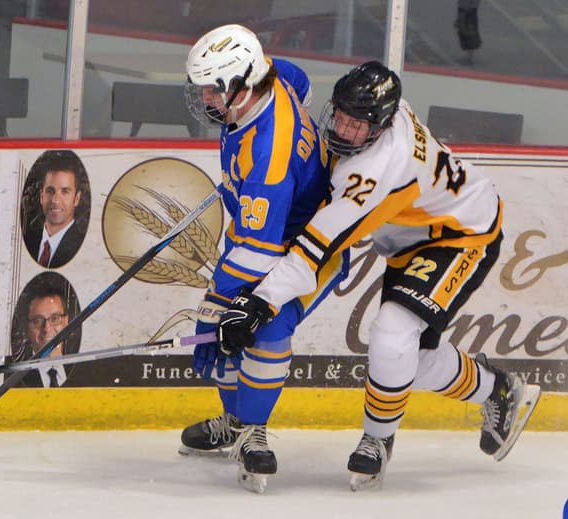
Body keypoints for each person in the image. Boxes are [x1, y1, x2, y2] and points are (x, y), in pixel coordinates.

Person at [216, 60, 542, 491]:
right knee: (410, 359)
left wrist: (260, 302)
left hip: (461, 233)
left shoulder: (373, 171)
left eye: (357, 125)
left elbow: (316, 250)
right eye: (342, 116)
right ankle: (499, 390)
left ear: (381, 127)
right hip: (410, 237)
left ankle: (379, 439)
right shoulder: (385, 112)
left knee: (393, 334)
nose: (343, 130)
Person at [179, 24, 349, 493]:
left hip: (307, 250)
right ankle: (235, 423)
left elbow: (258, 252)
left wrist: (217, 304)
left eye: (213, 88)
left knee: (257, 326)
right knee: (228, 322)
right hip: (265, 229)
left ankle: (251, 428)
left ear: (240, 84)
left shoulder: (268, 158)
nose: (206, 97)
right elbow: (303, 81)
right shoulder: (273, 76)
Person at [8, 275, 80, 387]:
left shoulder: (82, 372)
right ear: (27, 327)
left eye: (55, 318)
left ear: (66, 322)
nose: (46, 328)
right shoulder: (15, 379)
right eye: (37, 321)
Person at [23, 150, 89, 268]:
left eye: (65, 192)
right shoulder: (28, 239)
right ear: (41, 196)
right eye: (50, 191)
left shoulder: (83, 247)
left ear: (77, 198)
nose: (55, 201)